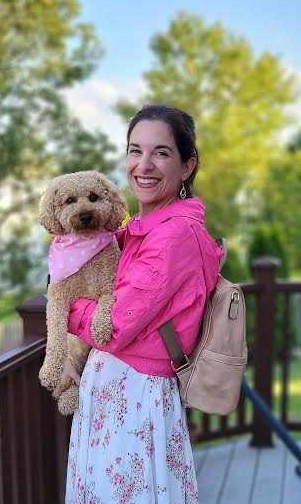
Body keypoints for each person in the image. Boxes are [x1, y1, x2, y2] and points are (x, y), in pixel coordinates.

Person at [61, 104, 224, 503]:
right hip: (117, 395)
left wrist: (64, 307)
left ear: (188, 166)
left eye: (161, 152)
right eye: (135, 150)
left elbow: (114, 325)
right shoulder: (139, 230)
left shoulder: (174, 236)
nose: (143, 164)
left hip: (133, 402)